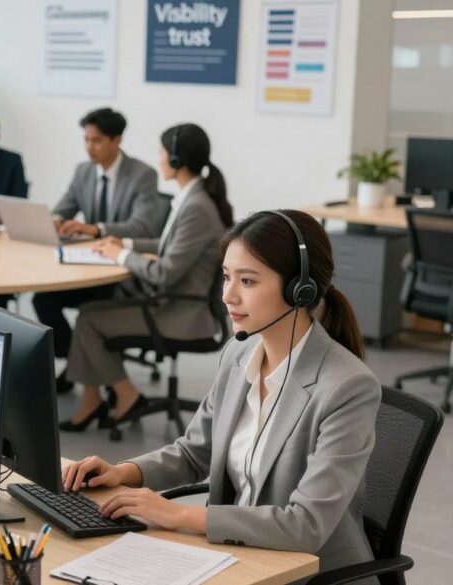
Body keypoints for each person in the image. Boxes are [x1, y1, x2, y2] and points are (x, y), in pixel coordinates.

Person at [62, 210, 380, 580]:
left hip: (307, 571)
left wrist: (179, 514)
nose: (228, 295)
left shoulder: (347, 387)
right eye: (227, 277)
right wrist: (123, 473)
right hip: (236, 554)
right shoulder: (239, 353)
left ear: (300, 289)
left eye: (247, 281)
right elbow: (194, 451)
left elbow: (306, 525)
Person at [61, 123, 233, 431]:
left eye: (162, 153)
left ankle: (124, 395)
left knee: (88, 320)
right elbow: (167, 246)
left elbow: (163, 273)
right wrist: (122, 244)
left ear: (177, 161)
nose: (159, 159)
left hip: (181, 313)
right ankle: (95, 400)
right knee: (91, 313)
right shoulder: (192, 198)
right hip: (173, 304)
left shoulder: (196, 207)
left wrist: (122, 257)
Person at [35, 107, 160, 393]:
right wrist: (56, 221)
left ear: (117, 140)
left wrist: (96, 229)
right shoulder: (83, 172)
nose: (89, 147)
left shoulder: (142, 175)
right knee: (43, 301)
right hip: (87, 266)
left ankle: (86, 368)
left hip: (122, 272)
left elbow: (141, 227)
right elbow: (62, 208)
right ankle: (77, 362)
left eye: (97, 140)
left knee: (92, 309)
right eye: (86, 140)